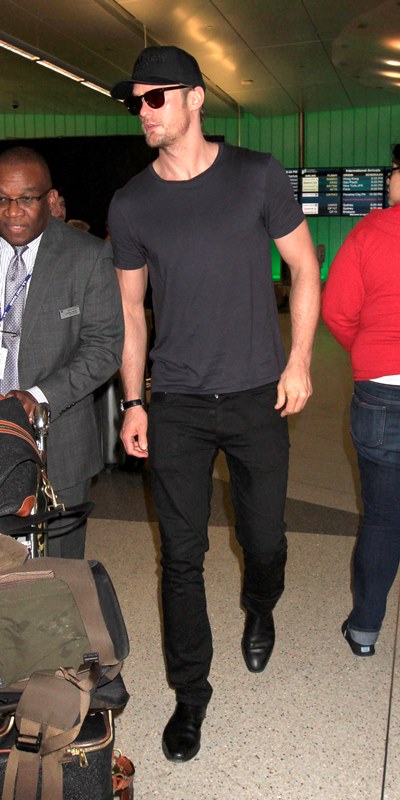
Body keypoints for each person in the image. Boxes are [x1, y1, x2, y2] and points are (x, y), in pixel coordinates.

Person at [108, 45, 320, 762]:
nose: (142, 111)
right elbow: (131, 312)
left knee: (264, 540)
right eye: (134, 101)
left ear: (195, 98)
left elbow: (304, 266)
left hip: (259, 393)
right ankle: (190, 694)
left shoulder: (257, 175)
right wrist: (133, 402)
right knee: (181, 557)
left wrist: (299, 360)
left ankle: (260, 605)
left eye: (155, 97)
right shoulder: (131, 203)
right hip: (177, 402)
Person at [0, 146, 124, 557]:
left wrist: (37, 396)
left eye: (26, 198)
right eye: (2, 199)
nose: (12, 211)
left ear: (50, 198)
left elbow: (104, 349)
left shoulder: (87, 256)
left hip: (60, 443)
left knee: (60, 569)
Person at [322, 144, 400, 658]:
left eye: (394, 170)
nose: (390, 178)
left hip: (383, 392)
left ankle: (365, 630)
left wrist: (371, 353)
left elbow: (337, 310)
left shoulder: (370, 232)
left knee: (383, 518)